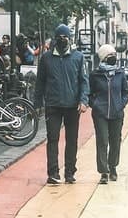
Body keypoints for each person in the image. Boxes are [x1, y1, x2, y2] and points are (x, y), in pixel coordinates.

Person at [34, 23, 88, 184]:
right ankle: (53, 173)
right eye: (59, 37)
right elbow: (40, 82)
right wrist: (37, 103)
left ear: (70, 39)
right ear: (55, 39)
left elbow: (83, 81)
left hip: (73, 106)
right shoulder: (46, 58)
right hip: (53, 105)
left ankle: (70, 172)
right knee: (52, 139)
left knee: (72, 140)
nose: (62, 39)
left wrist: (83, 100)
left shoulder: (78, 57)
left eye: (65, 37)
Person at [89, 43, 128, 183]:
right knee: (102, 141)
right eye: (110, 55)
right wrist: (95, 105)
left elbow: (125, 93)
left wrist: (121, 104)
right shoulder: (95, 75)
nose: (113, 57)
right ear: (103, 57)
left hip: (117, 113)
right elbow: (89, 93)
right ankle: (103, 172)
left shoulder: (120, 74)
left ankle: (113, 167)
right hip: (100, 114)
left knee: (115, 141)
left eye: (114, 55)